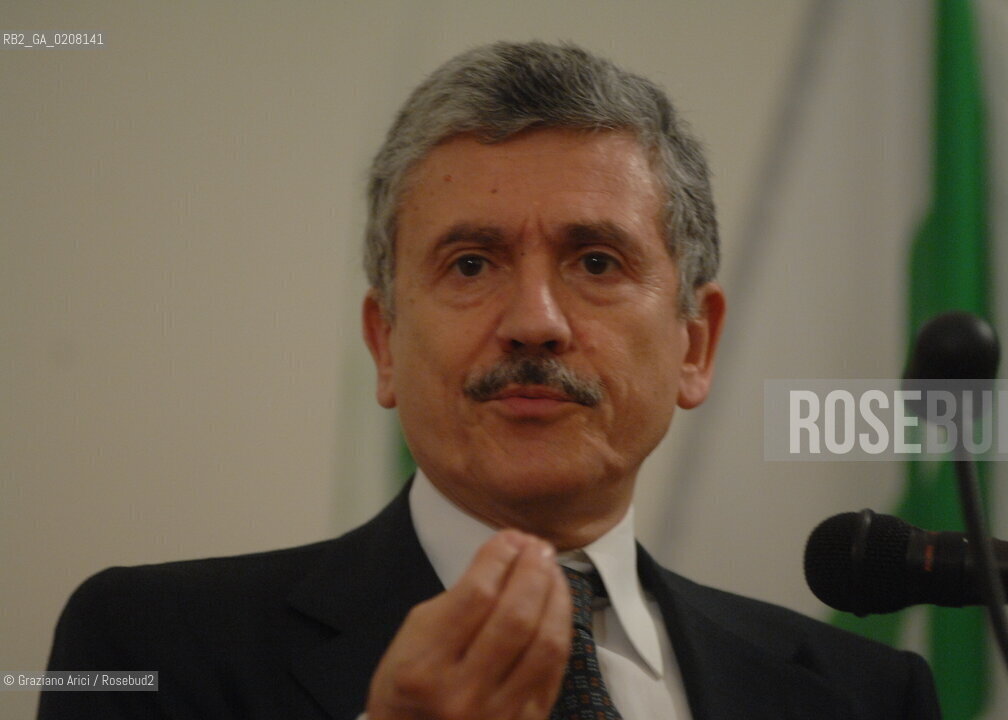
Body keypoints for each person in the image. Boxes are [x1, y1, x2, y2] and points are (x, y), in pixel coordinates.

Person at [40, 41, 940, 720]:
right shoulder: (147, 643)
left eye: (595, 260)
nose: (535, 320)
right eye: (471, 265)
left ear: (695, 346)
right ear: (386, 343)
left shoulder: (865, 694)